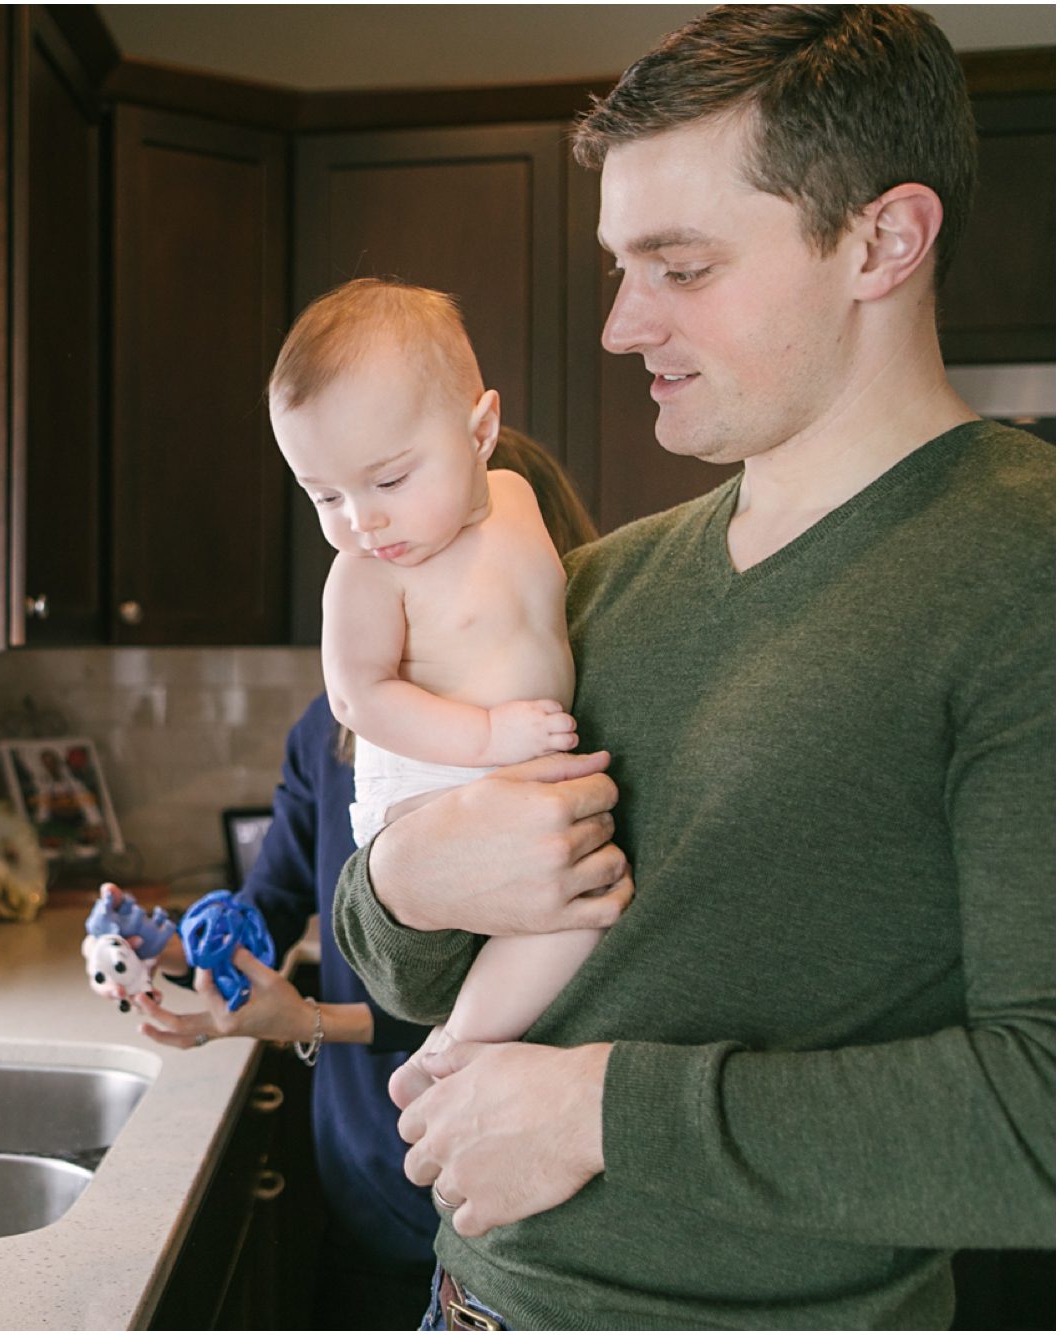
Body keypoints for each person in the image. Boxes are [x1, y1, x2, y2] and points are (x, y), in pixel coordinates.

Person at [329, 7, 1054, 1329]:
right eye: (621, 266)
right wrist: (403, 877)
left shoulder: (1025, 570)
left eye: (681, 266)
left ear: (882, 241)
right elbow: (405, 963)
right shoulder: (597, 576)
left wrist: (608, 1110)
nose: (619, 324)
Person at [132, 429, 599, 1328]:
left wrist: (307, 1020)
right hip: (362, 1173)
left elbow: (519, 970)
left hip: (509, 1176)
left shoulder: (562, 727)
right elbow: (266, 907)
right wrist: (176, 942)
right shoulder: (332, 729)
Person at [268, 278, 602, 1096]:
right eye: (325, 496)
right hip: (432, 778)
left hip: (516, 762)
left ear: (481, 429)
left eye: (386, 481)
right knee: (571, 915)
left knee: (586, 909)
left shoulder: (519, 499)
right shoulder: (365, 576)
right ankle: (454, 1049)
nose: (360, 521)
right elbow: (359, 700)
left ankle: (459, 1048)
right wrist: (487, 740)